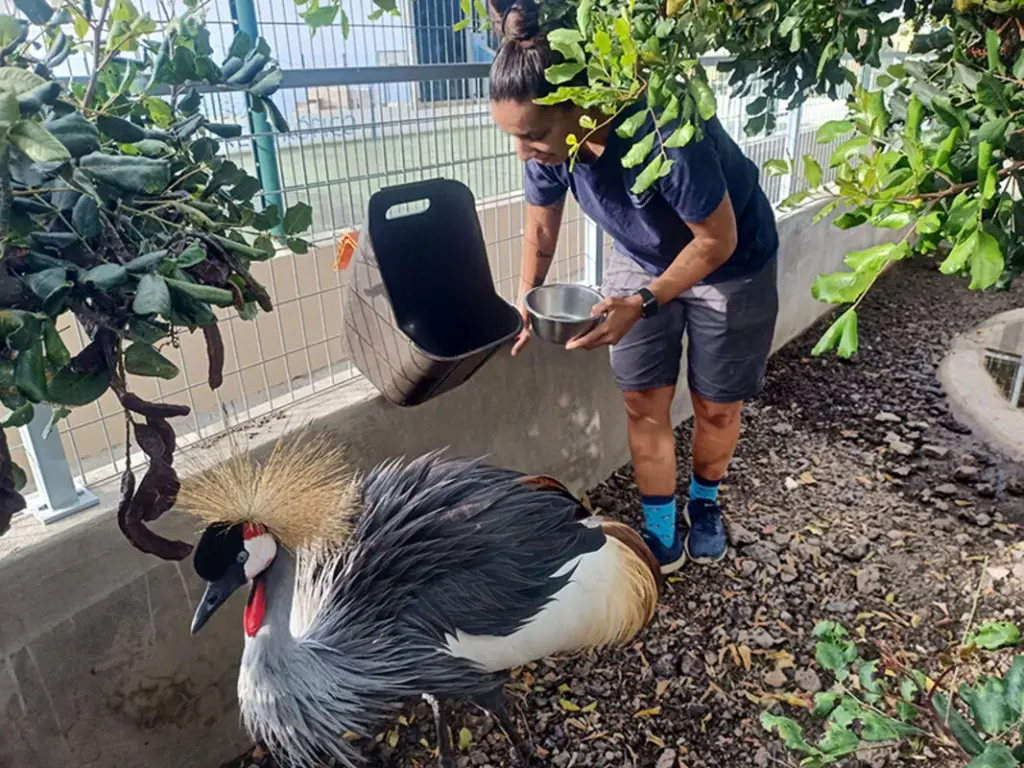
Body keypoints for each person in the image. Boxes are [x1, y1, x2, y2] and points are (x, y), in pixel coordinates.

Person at [488, 0, 780, 573]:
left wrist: (643, 302)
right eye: (515, 138)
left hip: (731, 262)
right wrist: (526, 297)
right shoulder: (549, 146)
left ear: (580, 102)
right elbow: (540, 226)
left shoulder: (664, 128)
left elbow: (716, 240)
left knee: (716, 407)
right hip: (641, 256)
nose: (523, 152)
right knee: (643, 399)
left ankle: (705, 502)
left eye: (533, 135)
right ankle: (660, 525)